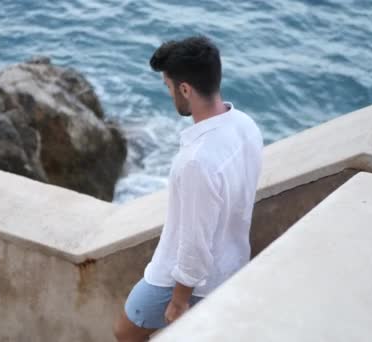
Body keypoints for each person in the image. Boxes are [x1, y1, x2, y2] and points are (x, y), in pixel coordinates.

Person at [113, 35, 264, 341]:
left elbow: (195, 242)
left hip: (185, 281)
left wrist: (179, 300)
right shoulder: (245, 124)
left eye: (169, 88)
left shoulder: (196, 161)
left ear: (185, 89)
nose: (170, 96)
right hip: (233, 264)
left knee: (125, 333)